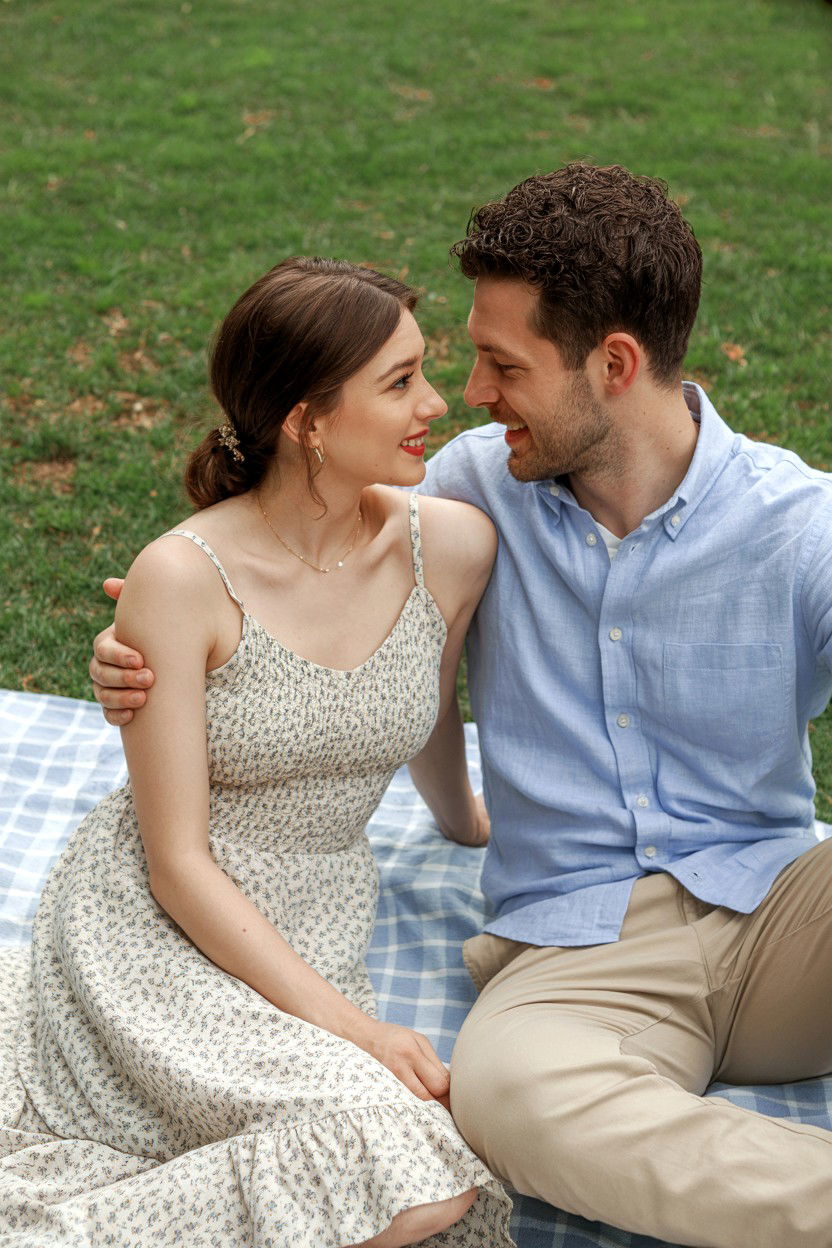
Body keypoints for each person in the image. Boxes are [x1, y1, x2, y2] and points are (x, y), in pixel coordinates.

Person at [93, 165, 832, 1248]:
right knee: (507, 1102)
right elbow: (284, 558)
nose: (470, 395)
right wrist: (137, 646)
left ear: (614, 365)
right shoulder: (466, 493)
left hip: (783, 917)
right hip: (576, 955)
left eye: (501, 363)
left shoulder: (799, 525)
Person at [0, 257, 515, 1248]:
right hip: (158, 928)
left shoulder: (449, 546)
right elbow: (177, 862)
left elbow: (429, 708)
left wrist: (463, 822)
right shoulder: (181, 578)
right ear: (305, 420)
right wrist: (357, 1032)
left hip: (319, 917)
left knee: (417, 1187)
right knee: (412, 1183)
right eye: (400, 382)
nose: (439, 403)